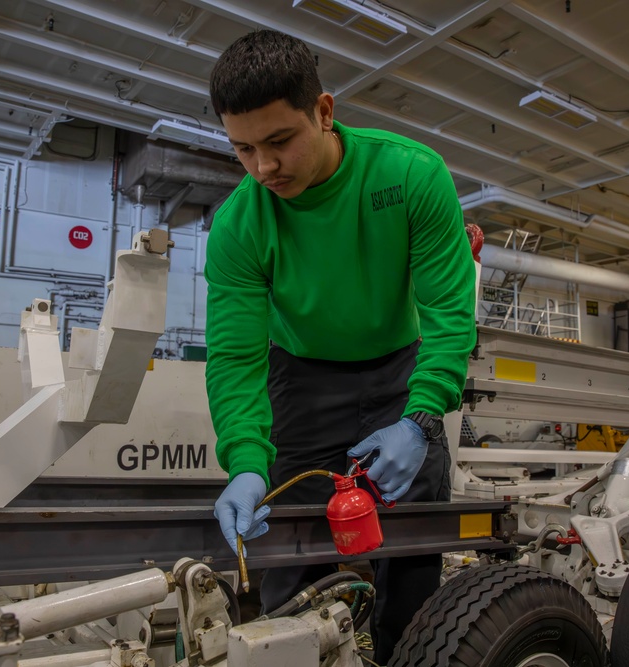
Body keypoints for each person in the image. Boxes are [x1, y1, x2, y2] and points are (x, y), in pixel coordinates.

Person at [204, 29, 477, 664]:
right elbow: (237, 358)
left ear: (324, 112)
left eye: (279, 141)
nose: (263, 167)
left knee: (408, 564)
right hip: (301, 381)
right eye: (242, 148)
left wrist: (421, 414)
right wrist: (246, 462)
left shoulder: (410, 175)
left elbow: (447, 309)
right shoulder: (239, 226)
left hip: (401, 377)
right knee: (294, 570)